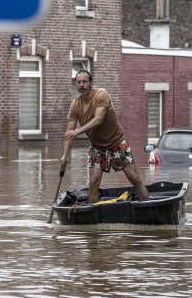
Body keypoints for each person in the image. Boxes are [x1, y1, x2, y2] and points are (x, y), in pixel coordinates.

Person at [59, 70, 150, 203]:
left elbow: (98, 119)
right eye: (78, 82)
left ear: (91, 82)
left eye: (85, 81)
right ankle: (92, 214)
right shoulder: (75, 105)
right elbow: (69, 134)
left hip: (117, 142)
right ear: (75, 85)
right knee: (93, 181)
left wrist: (78, 131)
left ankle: (148, 205)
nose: (82, 85)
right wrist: (65, 156)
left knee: (134, 177)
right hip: (97, 148)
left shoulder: (101, 94)